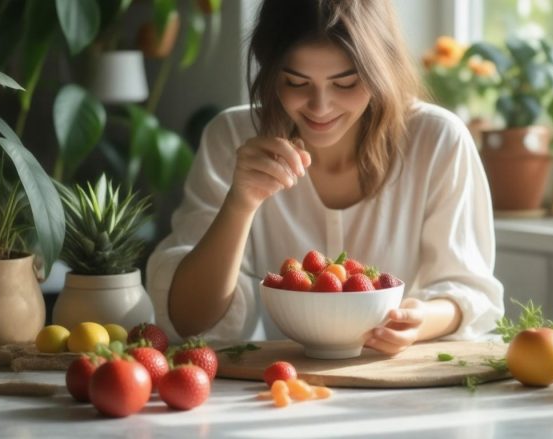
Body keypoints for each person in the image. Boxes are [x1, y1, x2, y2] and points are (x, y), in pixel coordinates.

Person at [146, 0, 503, 355]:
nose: (320, 107)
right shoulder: (233, 138)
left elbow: (467, 290)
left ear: (382, 71)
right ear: (270, 72)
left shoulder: (437, 140)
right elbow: (190, 319)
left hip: (397, 383)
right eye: (296, 82)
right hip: (277, 385)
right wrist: (240, 204)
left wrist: (419, 321)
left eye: (345, 83)